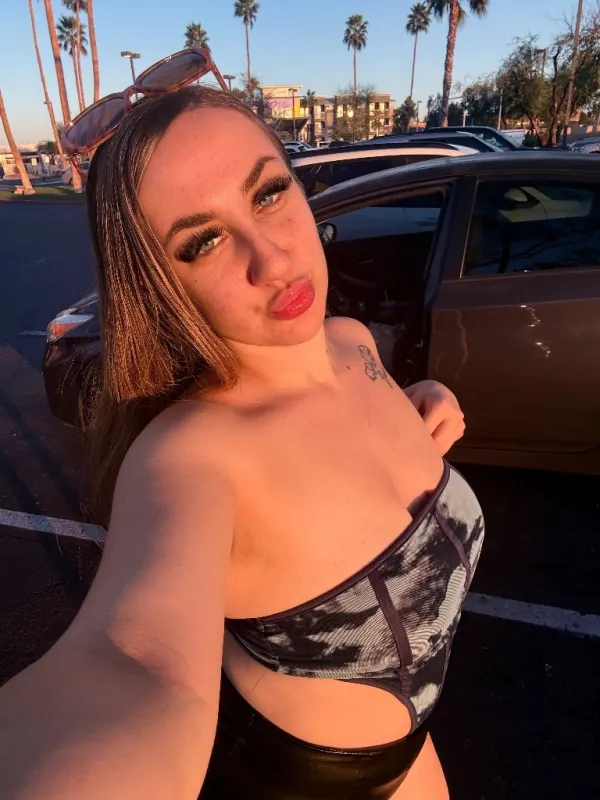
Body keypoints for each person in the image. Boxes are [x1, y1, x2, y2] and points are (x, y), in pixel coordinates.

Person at [0, 50, 484, 800]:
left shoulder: (351, 342)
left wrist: (418, 404)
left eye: (268, 193)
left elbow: (342, 465)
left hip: (417, 751)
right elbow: (137, 659)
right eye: (202, 242)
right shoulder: (192, 454)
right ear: (158, 289)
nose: (271, 258)